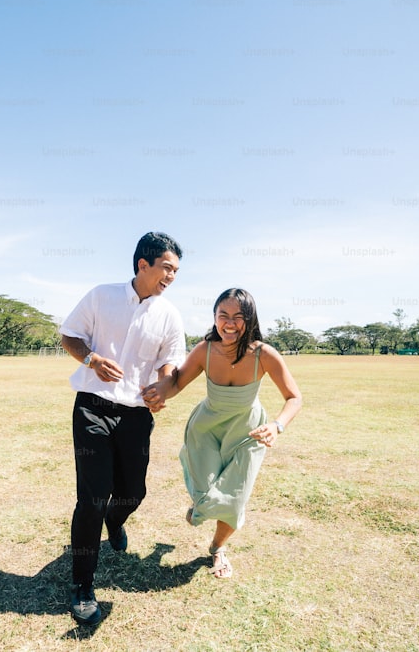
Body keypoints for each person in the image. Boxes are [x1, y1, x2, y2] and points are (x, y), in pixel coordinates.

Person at [58, 232, 186, 625]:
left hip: (135, 416)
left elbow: (169, 362)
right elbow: (69, 336)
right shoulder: (102, 296)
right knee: (92, 499)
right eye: (167, 267)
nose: (171, 277)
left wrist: (162, 388)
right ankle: (82, 586)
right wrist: (92, 359)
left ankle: (115, 521)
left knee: (133, 493)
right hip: (93, 409)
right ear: (142, 264)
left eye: (176, 271)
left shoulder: (170, 315)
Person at [142, 288, 302, 578]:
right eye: (223, 316)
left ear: (250, 320)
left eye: (239, 317)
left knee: (235, 498)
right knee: (206, 493)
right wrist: (159, 392)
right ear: (214, 317)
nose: (230, 323)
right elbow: (177, 383)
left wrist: (277, 425)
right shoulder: (205, 349)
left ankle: (217, 549)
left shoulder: (263, 354)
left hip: (248, 432)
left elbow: (294, 397)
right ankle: (202, 503)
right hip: (206, 430)